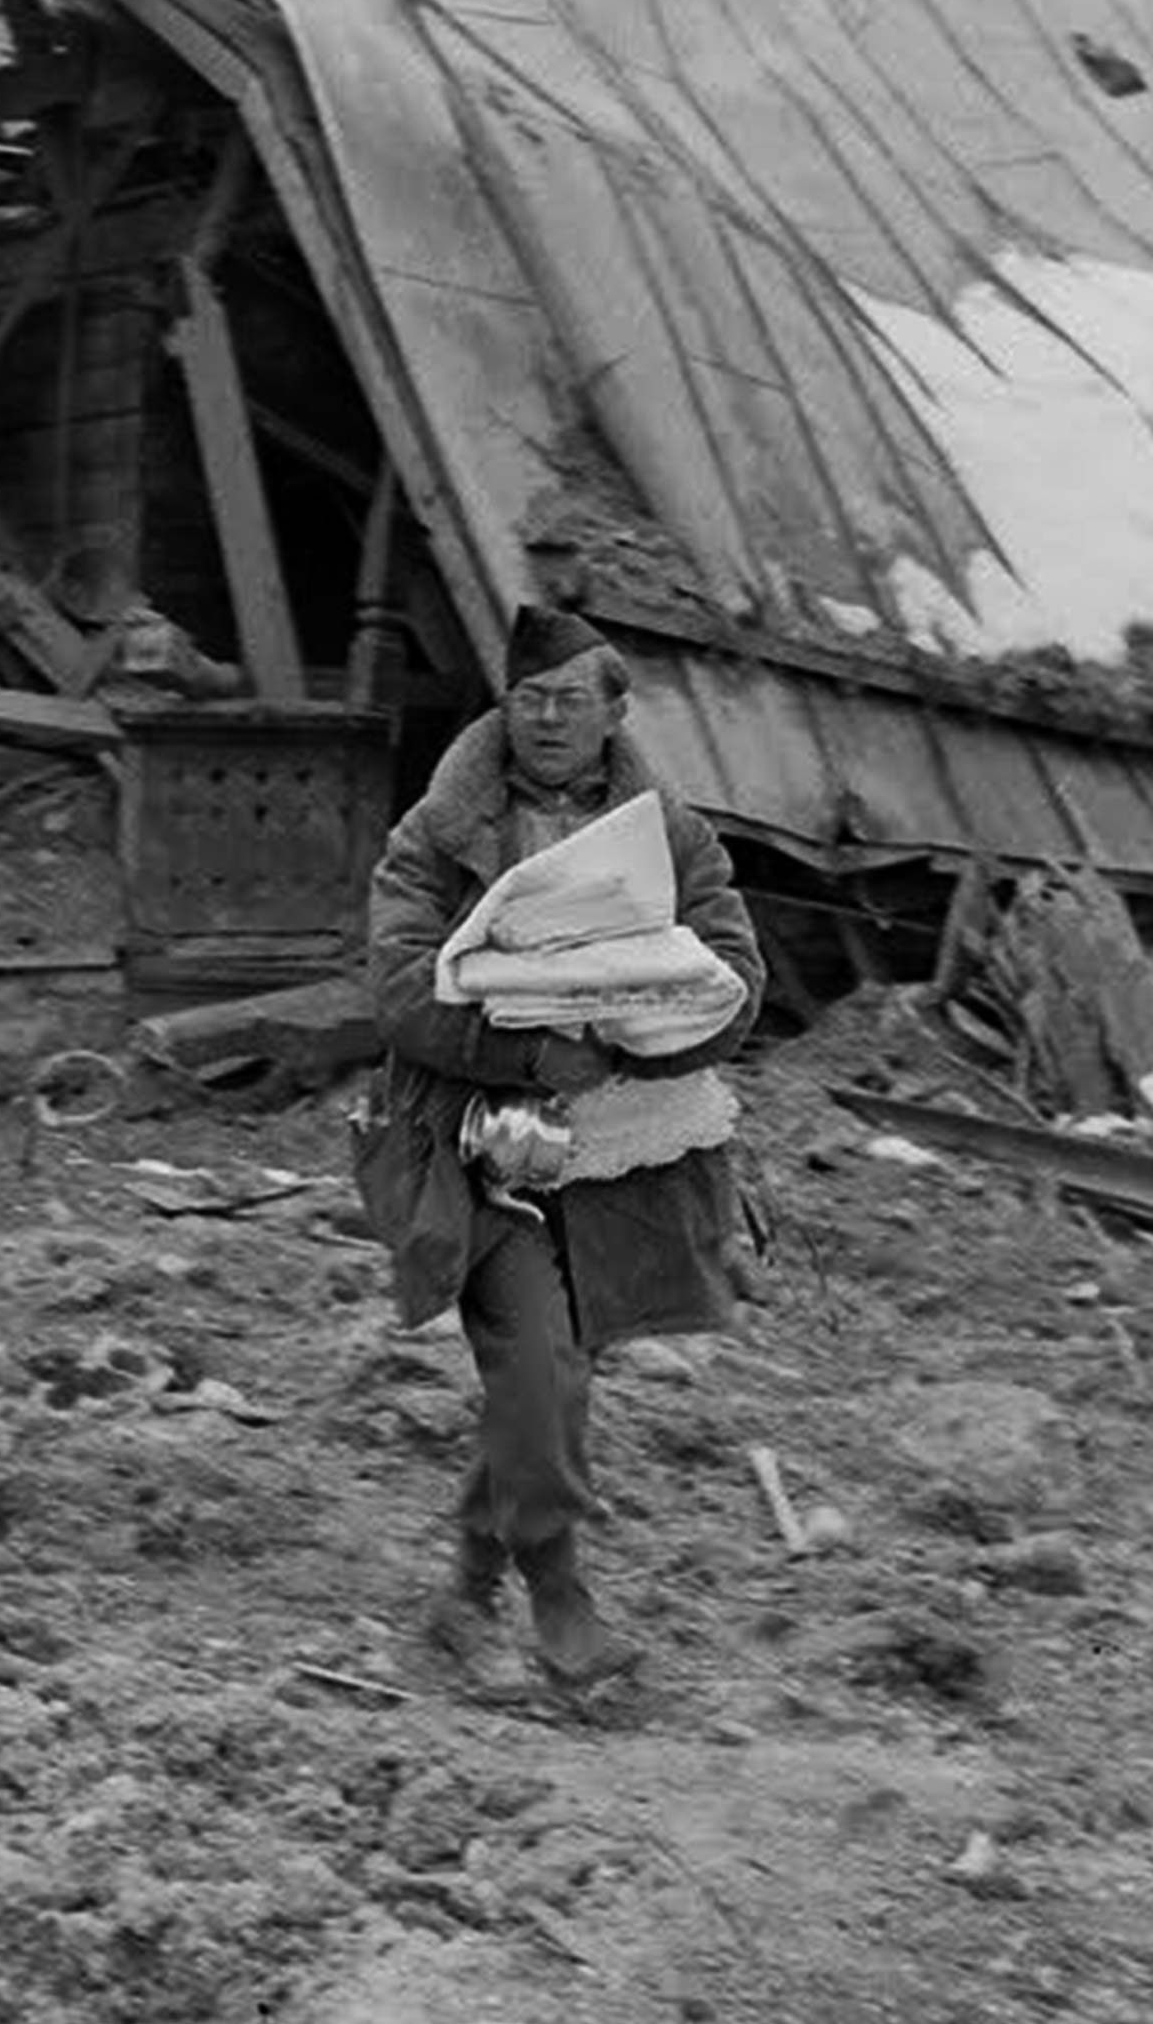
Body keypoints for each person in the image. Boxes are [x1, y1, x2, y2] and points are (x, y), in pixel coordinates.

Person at [358, 604, 766, 1691]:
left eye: (569, 700)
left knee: (551, 1372)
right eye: (528, 698)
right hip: (472, 1143)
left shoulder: (671, 835)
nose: (545, 719)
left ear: (613, 711)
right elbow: (400, 990)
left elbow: (735, 975)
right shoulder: (437, 831)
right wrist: (528, 1051)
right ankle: (559, 1599)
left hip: (618, 1148)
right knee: (540, 1362)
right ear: (504, 704)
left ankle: (464, 1590)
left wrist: (642, 1027)